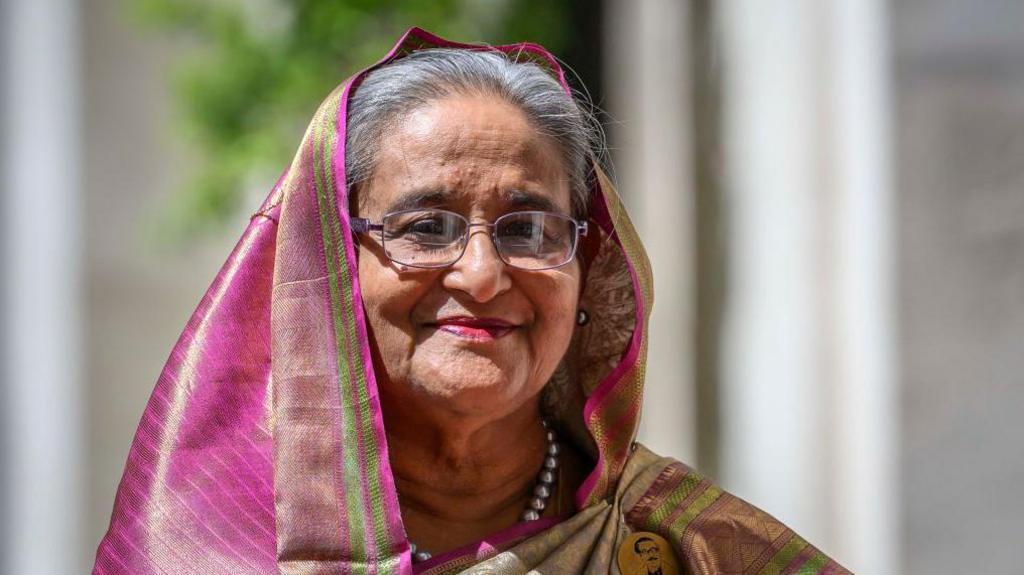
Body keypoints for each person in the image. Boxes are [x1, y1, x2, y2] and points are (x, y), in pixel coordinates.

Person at [93, 28, 850, 575]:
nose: (483, 275)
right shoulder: (210, 545)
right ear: (330, 268)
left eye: (529, 227)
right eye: (425, 227)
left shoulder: (687, 548)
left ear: (588, 267)